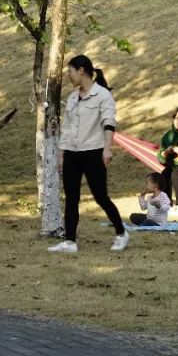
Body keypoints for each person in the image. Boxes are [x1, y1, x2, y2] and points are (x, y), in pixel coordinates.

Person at [48, 54, 128, 254]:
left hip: (93, 152)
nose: (69, 76)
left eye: (71, 72)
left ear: (81, 70)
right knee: (71, 197)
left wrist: (107, 149)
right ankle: (70, 241)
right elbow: (66, 128)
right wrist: (61, 153)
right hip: (72, 154)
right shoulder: (73, 97)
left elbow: (109, 123)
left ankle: (121, 233)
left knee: (100, 196)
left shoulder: (102, 95)